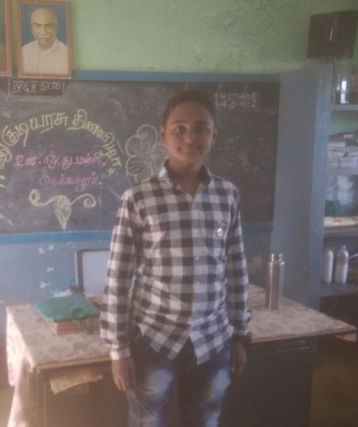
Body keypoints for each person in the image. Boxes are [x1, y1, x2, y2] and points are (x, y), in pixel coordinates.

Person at [100, 90, 250, 427]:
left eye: (201, 129)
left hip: (214, 340)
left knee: (206, 420)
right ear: (163, 134)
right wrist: (118, 349)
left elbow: (236, 267)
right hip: (155, 340)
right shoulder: (138, 198)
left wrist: (240, 335)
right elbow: (118, 278)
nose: (190, 138)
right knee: (147, 422)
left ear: (214, 135)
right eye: (179, 129)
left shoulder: (227, 195)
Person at [21, 7, 68, 75]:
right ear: (32, 29)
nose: (43, 32)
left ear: (56, 28)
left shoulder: (66, 53)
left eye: (48, 26)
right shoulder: (23, 51)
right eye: (38, 26)